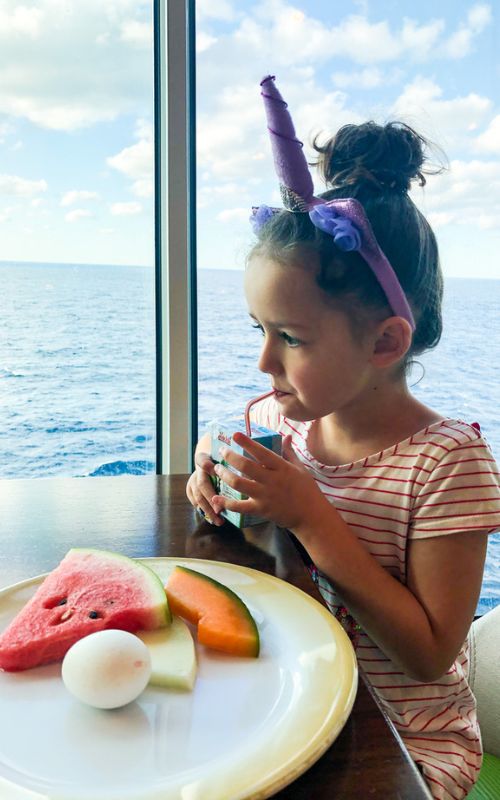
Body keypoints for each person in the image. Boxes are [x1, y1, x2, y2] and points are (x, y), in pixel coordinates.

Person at [186, 75, 500, 800]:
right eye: (259, 331)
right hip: (295, 703)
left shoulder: (448, 464)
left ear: (385, 341)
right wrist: (209, 460)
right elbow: (228, 436)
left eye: (290, 337)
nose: (265, 362)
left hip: (408, 740)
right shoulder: (284, 418)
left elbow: (428, 655)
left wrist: (311, 516)